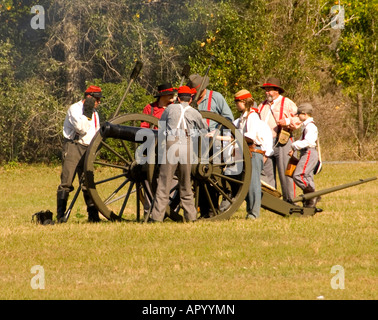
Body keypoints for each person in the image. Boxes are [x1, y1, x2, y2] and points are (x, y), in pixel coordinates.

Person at [149, 86, 208, 222]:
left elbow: (162, 125)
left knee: (164, 184)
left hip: (172, 144)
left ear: (178, 98)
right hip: (186, 145)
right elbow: (204, 128)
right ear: (191, 98)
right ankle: (191, 217)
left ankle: (157, 218)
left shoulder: (170, 109)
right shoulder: (194, 112)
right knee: (186, 184)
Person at [187, 74, 234, 217]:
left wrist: (216, 131)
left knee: (212, 178)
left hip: (214, 145)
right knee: (197, 178)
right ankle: (203, 210)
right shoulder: (190, 100)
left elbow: (228, 119)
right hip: (195, 144)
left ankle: (213, 210)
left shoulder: (216, 97)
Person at [56, 85, 104, 223]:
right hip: (73, 146)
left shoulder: (94, 113)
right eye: (97, 99)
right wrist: (87, 112)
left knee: (87, 183)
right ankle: (60, 216)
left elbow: (96, 131)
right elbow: (81, 128)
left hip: (88, 149)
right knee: (66, 182)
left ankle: (93, 216)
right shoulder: (75, 109)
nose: (99, 102)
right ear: (89, 98)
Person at [258, 77, 301, 203]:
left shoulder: (287, 103)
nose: (267, 92)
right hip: (265, 143)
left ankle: (290, 200)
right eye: (266, 89)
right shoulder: (262, 105)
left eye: (269, 89)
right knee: (267, 173)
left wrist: (287, 121)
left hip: (283, 141)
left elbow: (299, 118)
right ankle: (272, 202)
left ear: (277, 90)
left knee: (285, 173)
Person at [233, 90, 273, 219]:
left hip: (254, 152)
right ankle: (250, 211)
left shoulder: (252, 117)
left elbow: (249, 137)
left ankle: (254, 213)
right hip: (247, 152)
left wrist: (233, 139)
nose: (235, 105)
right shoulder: (242, 118)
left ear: (244, 101)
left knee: (253, 183)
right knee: (247, 183)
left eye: (237, 102)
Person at [288, 102, 320, 208]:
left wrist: (294, 145)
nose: (298, 116)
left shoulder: (310, 126)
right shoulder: (306, 125)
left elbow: (308, 142)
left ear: (305, 114)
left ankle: (312, 195)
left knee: (298, 175)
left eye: (299, 114)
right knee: (307, 176)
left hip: (309, 152)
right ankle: (311, 201)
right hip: (306, 152)